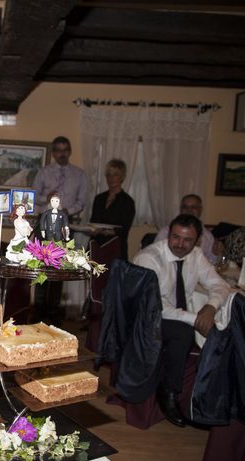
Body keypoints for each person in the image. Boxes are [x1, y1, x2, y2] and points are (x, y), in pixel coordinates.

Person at [133, 214, 229, 427]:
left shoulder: (195, 255)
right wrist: (196, 319)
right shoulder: (149, 258)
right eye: (175, 237)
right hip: (146, 318)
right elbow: (156, 306)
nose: (179, 244)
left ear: (197, 241)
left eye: (187, 240)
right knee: (182, 333)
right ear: (169, 234)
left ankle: (210, 396)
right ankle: (169, 392)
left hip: (174, 313)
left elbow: (220, 285)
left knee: (223, 328)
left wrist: (210, 307)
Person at [90, 159, 136, 260]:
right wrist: (91, 229)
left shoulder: (128, 202)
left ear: (122, 177)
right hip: (96, 246)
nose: (111, 178)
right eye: (108, 175)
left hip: (115, 249)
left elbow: (124, 230)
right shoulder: (99, 198)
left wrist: (107, 231)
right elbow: (93, 222)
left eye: (115, 174)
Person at [32, 136, 86, 220]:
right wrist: (46, 198)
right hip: (45, 218)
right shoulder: (43, 172)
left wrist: (68, 211)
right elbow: (33, 197)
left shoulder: (79, 174)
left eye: (65, 150)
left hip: (67, 218)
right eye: (58, 150)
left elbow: (81, 201)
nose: (62, 153)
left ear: (70, 152)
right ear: (53, 153)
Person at [154, 194, 217, 265]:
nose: (189, 210)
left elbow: (211, 263)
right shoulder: (166, 232)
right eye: (185, 207)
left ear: (200, 210)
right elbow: (157, 258)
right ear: (181, 209)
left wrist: (215, 253)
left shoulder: (207, 236)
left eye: (193, 207)